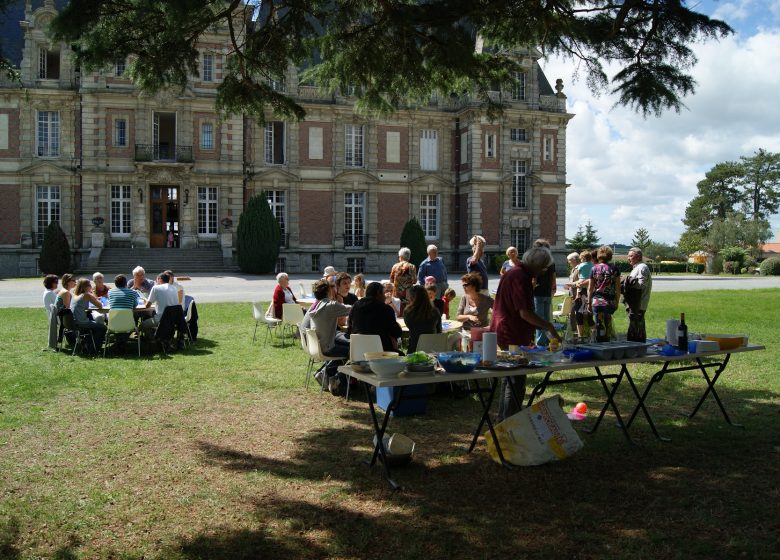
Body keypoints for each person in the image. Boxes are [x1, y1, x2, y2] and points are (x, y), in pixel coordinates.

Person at [491, 246, 561, 421]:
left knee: (510, 378)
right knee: (515, 381)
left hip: (506, 329)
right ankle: (510, 422)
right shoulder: (521, 277)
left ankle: (503, 419)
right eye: (544, 268)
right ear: (538, 266)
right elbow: (525, 313)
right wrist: (548, 327)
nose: (544, 272)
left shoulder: (515, 273)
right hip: (511, 332)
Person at [305, 279, 351, 394]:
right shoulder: (330, 306)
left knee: (344, 344)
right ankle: (331, 376)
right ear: (329, 291)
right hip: (327, 347)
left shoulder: (314, 306)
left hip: (316, 346)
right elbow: (351, 309)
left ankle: (324, 373)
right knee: (354, 351)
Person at [348, 281, 403, 352]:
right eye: (383, 293)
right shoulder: (385, 309)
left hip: (358, 351)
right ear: (378, 293)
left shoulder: (355, 306)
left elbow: (350, 328)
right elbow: (397, 333)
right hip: (382, 352)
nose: (385, 296)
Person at [587, 245, 621, 341]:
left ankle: (599, 342)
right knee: (608, 323)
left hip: (597, 301)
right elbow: (618, 288)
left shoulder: (594, 269)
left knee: (599, 324)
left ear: (599, 256)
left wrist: (588, 302)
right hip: (610, 301)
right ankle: (607, 341)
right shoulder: (615, 269)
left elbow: (590, 287)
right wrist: (617, 301)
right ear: (610, 256)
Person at [623, 247, 652, 342]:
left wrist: (625, 280)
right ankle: (637, 350)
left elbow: (641, 285)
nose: (628, 258)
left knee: (636, 333)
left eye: (631, 256)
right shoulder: (637, 267)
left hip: (638, 305)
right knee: (636, 331)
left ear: (638, 256)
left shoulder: (642, 267)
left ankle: (637, 351)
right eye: (628, 256)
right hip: (635, 305)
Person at [532, 238, 557, 347]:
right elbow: (554, 278)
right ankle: (547, 341)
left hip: (538, 293)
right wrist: (552, 289)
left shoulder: (537, 261)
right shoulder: (551, 261)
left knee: (539, 320)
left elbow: (534, 279)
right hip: (547, 292)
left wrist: (530, 289)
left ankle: (541, 343)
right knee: (547, 319)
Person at [70, 278, 107, 351]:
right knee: (103, 327)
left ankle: (89, 344)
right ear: (85, 287)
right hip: (82, 322)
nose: (91, 286)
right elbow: (100, 305)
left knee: (95, 322)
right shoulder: (86, 295)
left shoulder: (75, 295)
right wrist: (92, 292)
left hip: (74, 322)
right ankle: (94, 348)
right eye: (89, 285)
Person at [403, 284, 442, 352]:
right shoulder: (435, 311)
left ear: (411, 297)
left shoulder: (408, 312)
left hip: (414, 348)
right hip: (433, 349)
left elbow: (410, 327)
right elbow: (439, 330)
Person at [142, 272, 181, 337]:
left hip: (160, 319)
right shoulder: (174, 288)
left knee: (142, 325)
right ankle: (158, 338)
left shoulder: (156, 288)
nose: (156, 281)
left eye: (156, 280)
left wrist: (145, 300)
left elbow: (147, 306)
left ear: (159, 279)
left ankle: (152, 339)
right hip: (173, 319)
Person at [573, 250, 594, 338]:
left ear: (584, 258)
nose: (580, 260)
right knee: (589, 315)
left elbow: (576, 277)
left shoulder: (581, 265)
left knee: (578, 313)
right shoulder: (593, 265)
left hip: (582, 290)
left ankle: (580, 336)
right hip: (590, 291)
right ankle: (594, 334)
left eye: (581, 258)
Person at [389, 247, 417, 313]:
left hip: (397, 293)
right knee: (407, 312)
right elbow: (415, 281)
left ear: (400, 257)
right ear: (408, 257)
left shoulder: (395, 266)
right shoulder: (412, 267)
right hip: (408, 294)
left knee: (397, 310)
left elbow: (391, 280)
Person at [563, 252, 581, 335]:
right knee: (573, 314)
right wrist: (568, 286)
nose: (568, 263)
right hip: (572, 295)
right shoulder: (573, 269)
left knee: (576, 315)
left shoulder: (579, 268)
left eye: (569, 261)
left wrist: (571, 285)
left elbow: (581, 282)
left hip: (578, 296)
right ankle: (575, 332)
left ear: (574, 260)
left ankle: (578, 332)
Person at [43, 274, 59, 350]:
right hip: (55, 317)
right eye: (56, 282)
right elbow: (58, 304)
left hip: (51, 315)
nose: (57, 284)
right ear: (51, 283)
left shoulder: (48, 292)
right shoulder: (50, 293)